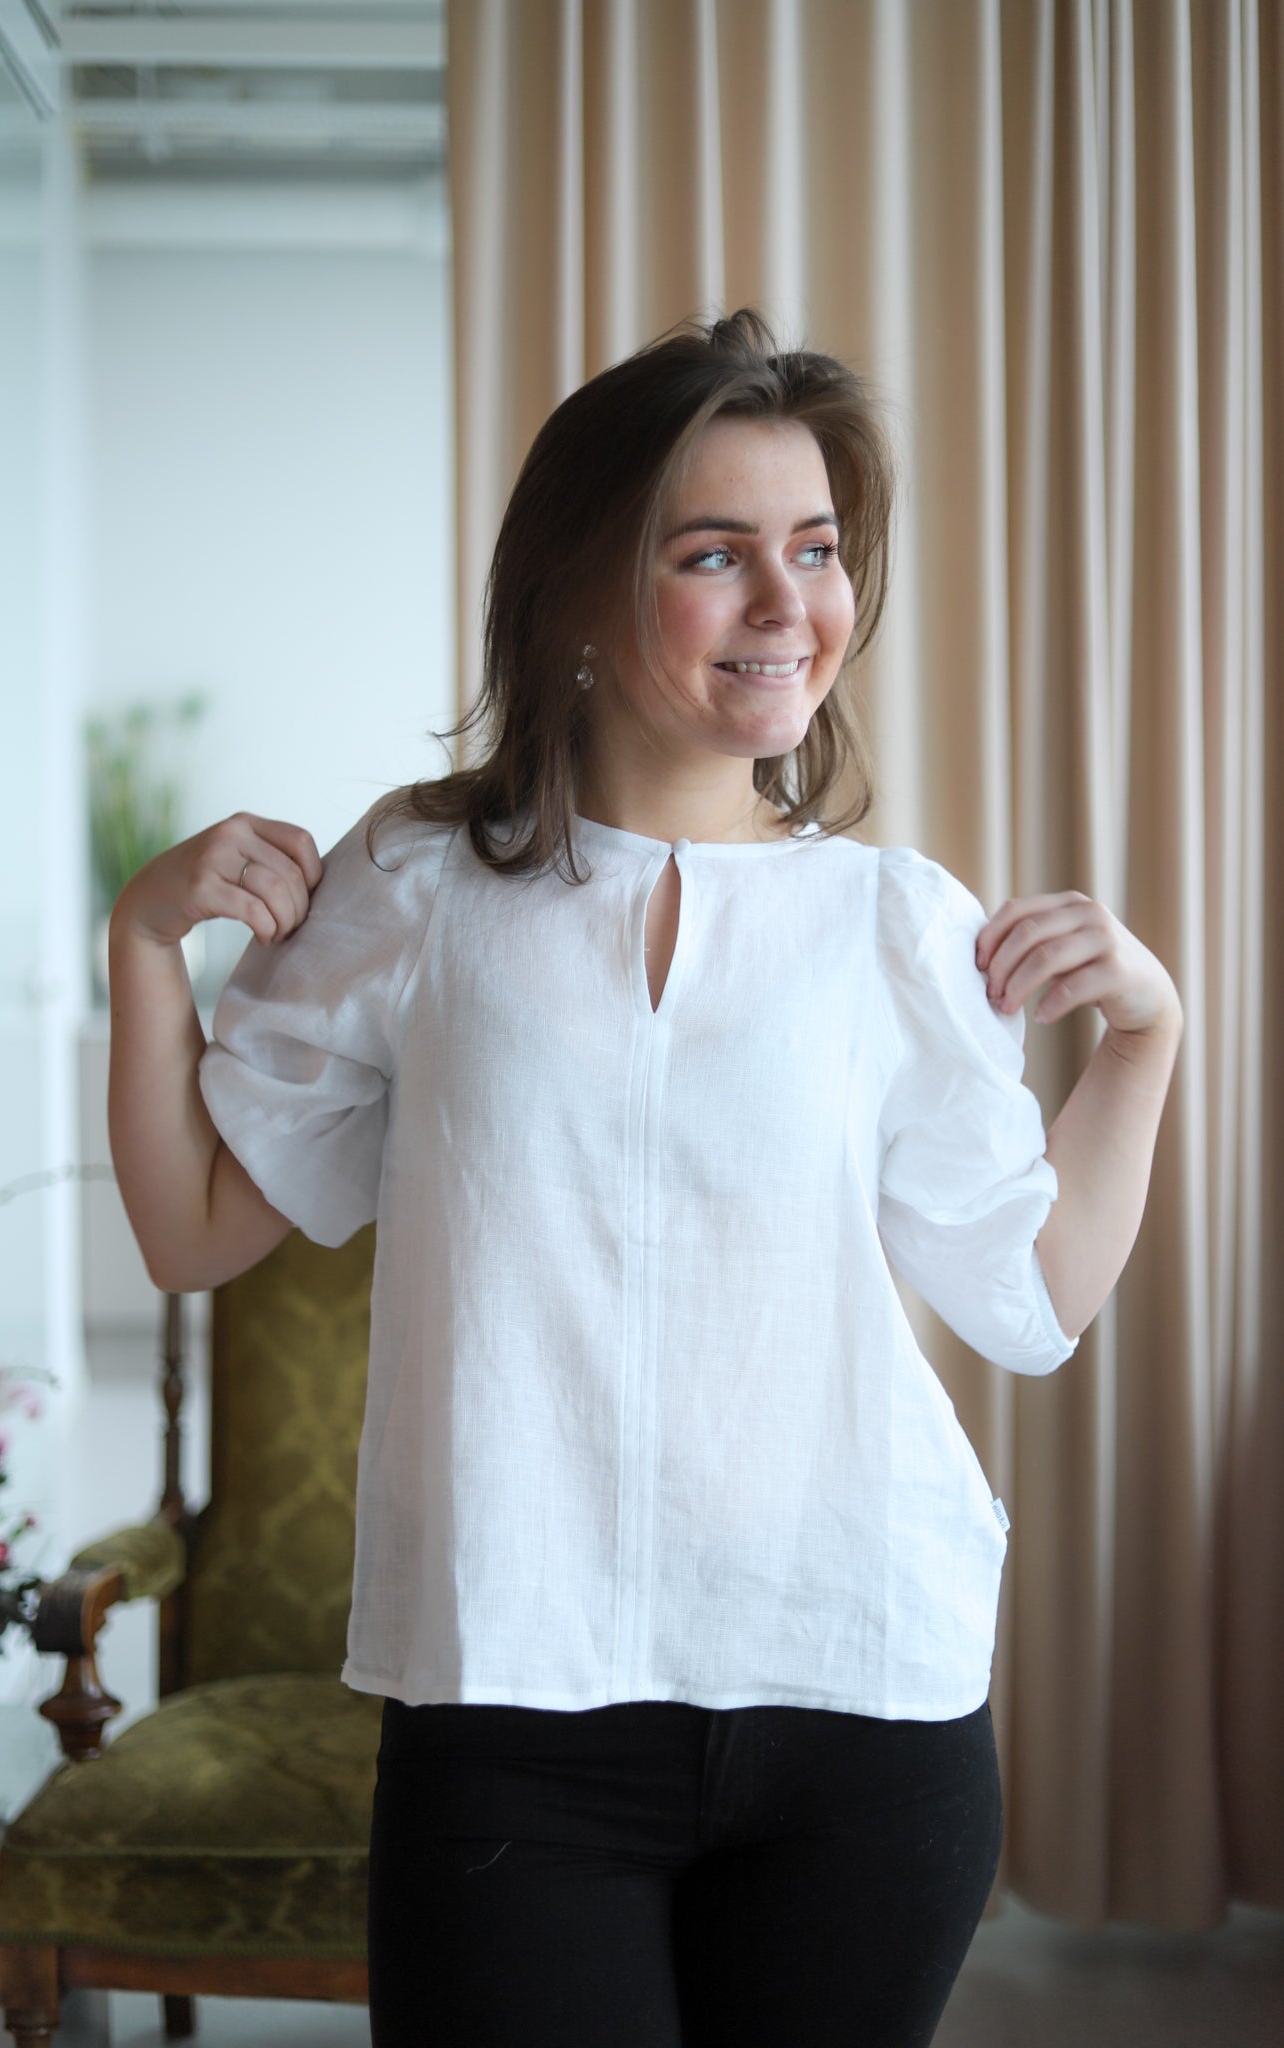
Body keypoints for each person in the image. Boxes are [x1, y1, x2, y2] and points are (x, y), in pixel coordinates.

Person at [107, 309, 1184, 2048]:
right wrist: (145, 946)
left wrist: (1142, 1041)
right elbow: (189, 1231)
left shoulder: (894, 924)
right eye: (712, 554)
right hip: (512, 1718)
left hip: (862, 1704)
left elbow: (1030, 1302)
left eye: (816, 550)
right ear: (576, 599)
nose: (788, 604)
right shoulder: (420, 884)